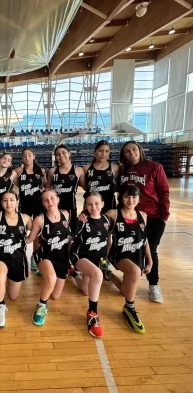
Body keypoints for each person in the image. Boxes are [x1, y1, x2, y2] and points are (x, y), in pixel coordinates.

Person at [118, 141, 169, 303]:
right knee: (131, 249)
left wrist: (164, 216)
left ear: (140, 150)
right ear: (123, 155)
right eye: (127, 151)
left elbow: (164, 192)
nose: (131, 153)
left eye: (134, 149)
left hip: (153, 217)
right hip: (131, 217)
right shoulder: (123, 170)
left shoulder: (155, 167)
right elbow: (120, 192)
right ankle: (129, 277)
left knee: (150, 250)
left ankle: (153, 285)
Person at [103, 184, 153, 334]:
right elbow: (103, 232)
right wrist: (104, 255)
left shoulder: (143, 216)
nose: (130, 200)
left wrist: (150, 260)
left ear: (139, 198)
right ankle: (129, 308)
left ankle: (107, 273)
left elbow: (145, 240)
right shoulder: (113, 214)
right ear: (120, 198)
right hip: (119, 254)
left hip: (137, 254)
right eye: (127, 196)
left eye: (134, 197)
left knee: (126, 291)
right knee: (135, 272)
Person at [25, 189, 71, 326]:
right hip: (45, 256)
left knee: (55, 296)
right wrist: (15, 237)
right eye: (45, 199)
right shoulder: (40, 220)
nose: (49, 201)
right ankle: (41, 305)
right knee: (51, 279)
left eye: (52, 198)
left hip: (62, 258)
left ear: (58, 199)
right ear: (43, 203)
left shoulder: (66, 214)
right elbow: (30, 239)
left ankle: (47, 274)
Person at [70, 192, 111, 339]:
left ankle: (72, 273)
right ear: (85, 206)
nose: (93, 207)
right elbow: (70, 236)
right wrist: (78, 220)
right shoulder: (82, 220)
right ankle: (93, 313)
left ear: (103, 204)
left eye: (96, 203)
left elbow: (108, 238)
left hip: (95, 260)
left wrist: (107, 256)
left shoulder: (107, 220)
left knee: (85, 291)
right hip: (79, 257)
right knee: (98, 275)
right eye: (89, 204)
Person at [0, 191, 32, 328]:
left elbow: (38, 228)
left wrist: (28, 240)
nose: (9, 203)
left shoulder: (25, 218)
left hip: (18, 259)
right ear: (1, 203)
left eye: (12, 200)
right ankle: (0, 306)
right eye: (5, 200)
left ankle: (6, 281)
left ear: (17, 202)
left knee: (13, 296)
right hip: (1, 257)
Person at [15, 148, 46, 271]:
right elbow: (16, 184)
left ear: (34, 156)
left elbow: (45, 185)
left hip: (38, 205)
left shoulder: (41, 171)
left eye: (29, 155)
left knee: (37, 231)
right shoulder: (19, 171)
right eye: (24, 155)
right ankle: (19, 255)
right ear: (22, 158)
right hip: (24, 205)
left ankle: (35, 256)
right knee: (21, 230)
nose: (27, 157)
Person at [46, 144, 85, 232]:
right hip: (55, 208)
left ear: (69, 153)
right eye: (58, 154)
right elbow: (47, 190)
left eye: (63, 153)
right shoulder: (52, 171)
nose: (61, 156)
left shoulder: (78, 170)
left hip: (71, 207)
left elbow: (86, 187)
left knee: (71, 233)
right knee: (55, 232)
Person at [83, 140, 119, 213]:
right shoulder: (86, 168)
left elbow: (117, 187)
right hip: (91, 207)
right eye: (100, 151)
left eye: (107, 151)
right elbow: (85, 187)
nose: (103, 154)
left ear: (109, 153)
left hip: (109, 206)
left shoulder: (115, 168)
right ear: (94, 152)